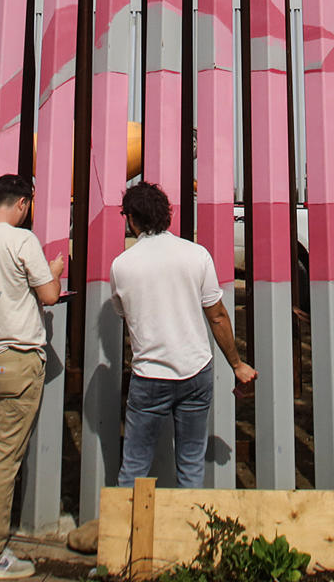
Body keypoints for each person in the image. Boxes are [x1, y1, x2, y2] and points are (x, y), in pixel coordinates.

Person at [111, 182, 258, 488]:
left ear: (132, 219)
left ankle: (127, 530)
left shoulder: (121, 266)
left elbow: (125, 314)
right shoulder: (196, 255)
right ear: (168, 215)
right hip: (195, 371)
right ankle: (189, 532)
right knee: (191, 465)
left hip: (150, 374)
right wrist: (237, 364)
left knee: (134, 466)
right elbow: (217, 316)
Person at [0, 174, 66, 580]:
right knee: (5, 458)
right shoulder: (23, 241)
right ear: (23, 203)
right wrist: (53, 270)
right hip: (17, 358)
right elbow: (50, 295)